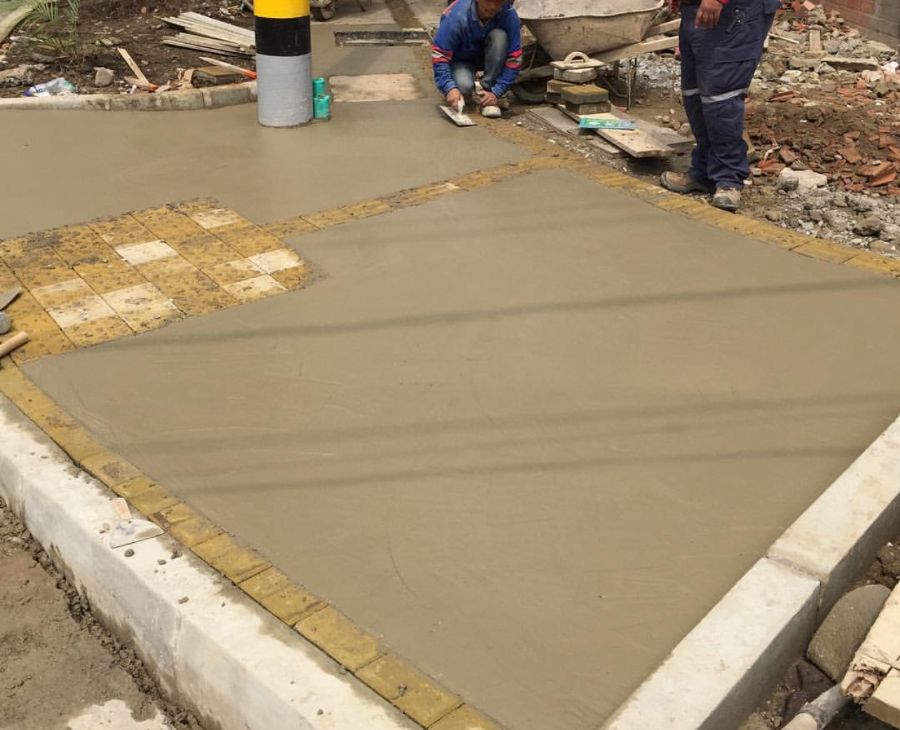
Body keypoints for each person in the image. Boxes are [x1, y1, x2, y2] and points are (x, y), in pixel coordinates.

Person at [661, 0, 781, 211]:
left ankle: (728, 179)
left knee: (722, 100)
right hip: (698, 11)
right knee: (695, 95)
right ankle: (704, 172)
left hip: (735, 12)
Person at [432, 0, 522, 119]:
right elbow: (440, 55)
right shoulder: (456, 15)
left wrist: (496, 91)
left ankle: (488, 93)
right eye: (488, 1)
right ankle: (459, 88)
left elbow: (514, 59)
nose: (493, 7)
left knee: (499, 37)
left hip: (492, 57)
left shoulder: (508, 13)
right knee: (463, 88)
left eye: (498, 2)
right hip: (461, 60)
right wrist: (449, 87)